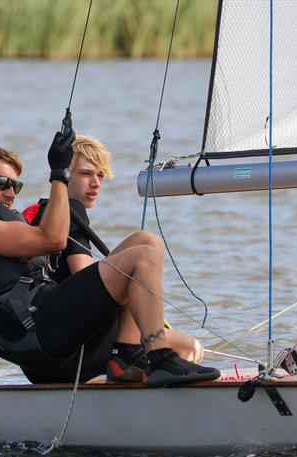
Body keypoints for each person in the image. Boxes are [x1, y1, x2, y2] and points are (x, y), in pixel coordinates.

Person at [0, 129, 220, 387]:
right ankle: (160, 358)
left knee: (146, 241)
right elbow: (53, 239)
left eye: (16, 186)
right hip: (37, 338)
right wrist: (59, 174)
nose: (10, 192)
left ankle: (127, 358)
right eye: (1, 182)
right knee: (142, 256)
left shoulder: (4, 227)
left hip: (55, 337)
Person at [21, 135, 205, 383]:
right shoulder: (71, 209)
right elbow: (85, 279)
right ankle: (129, 366)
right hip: (75, 341)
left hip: (51, 343)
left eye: (100, 175)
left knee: (146, 240)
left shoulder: (45, 212)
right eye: (86, 174)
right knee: (191, 346)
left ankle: (125, 364)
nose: (95, 183)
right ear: (66, 175)